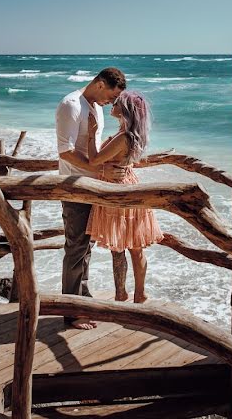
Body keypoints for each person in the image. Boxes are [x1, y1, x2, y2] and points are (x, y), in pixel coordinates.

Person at [55, 67, 126, 330]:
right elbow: (66, 151)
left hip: (92, 184)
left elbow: (92, 145)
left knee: (87, 245)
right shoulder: (71, 105)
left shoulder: (93, 106)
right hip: (74, 185)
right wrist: (99, 169)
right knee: (75, 247)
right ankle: (71, 311)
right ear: (99, 84)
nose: (112, 102)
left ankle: (82, 298)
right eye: (111, 95)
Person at [85, 91, 162, 304]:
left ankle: (121, 293)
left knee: (118, 248)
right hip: (131, 186)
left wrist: (92, 134)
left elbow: (93, 160)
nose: (113, 103)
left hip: (117, 191)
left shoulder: (122, 137)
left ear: (125, 110)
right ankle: (140, 293)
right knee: (136, 247)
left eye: (117, 103)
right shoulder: (132, 135)